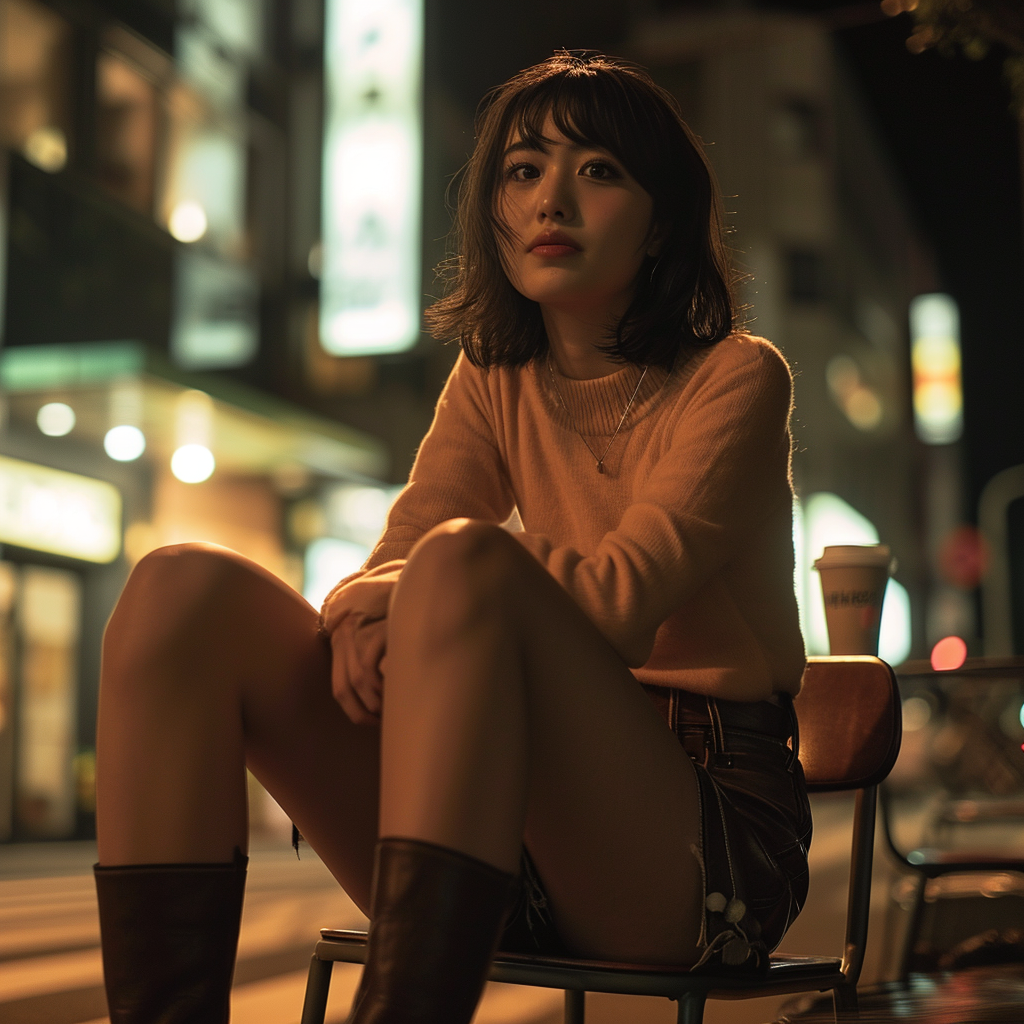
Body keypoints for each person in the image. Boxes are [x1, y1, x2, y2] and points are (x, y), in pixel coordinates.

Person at [93, 50, 811, 1024]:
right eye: (523, 171)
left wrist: (414, 580)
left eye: (598, 172)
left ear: (660, 222)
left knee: (471, 559)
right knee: (179, 590)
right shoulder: (494, 373)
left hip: (701, 848)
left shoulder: (737, 376)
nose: (551, 199)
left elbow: (618, 600)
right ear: (494, 211)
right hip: (495, 833)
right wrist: (360, 604)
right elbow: (399, 546)